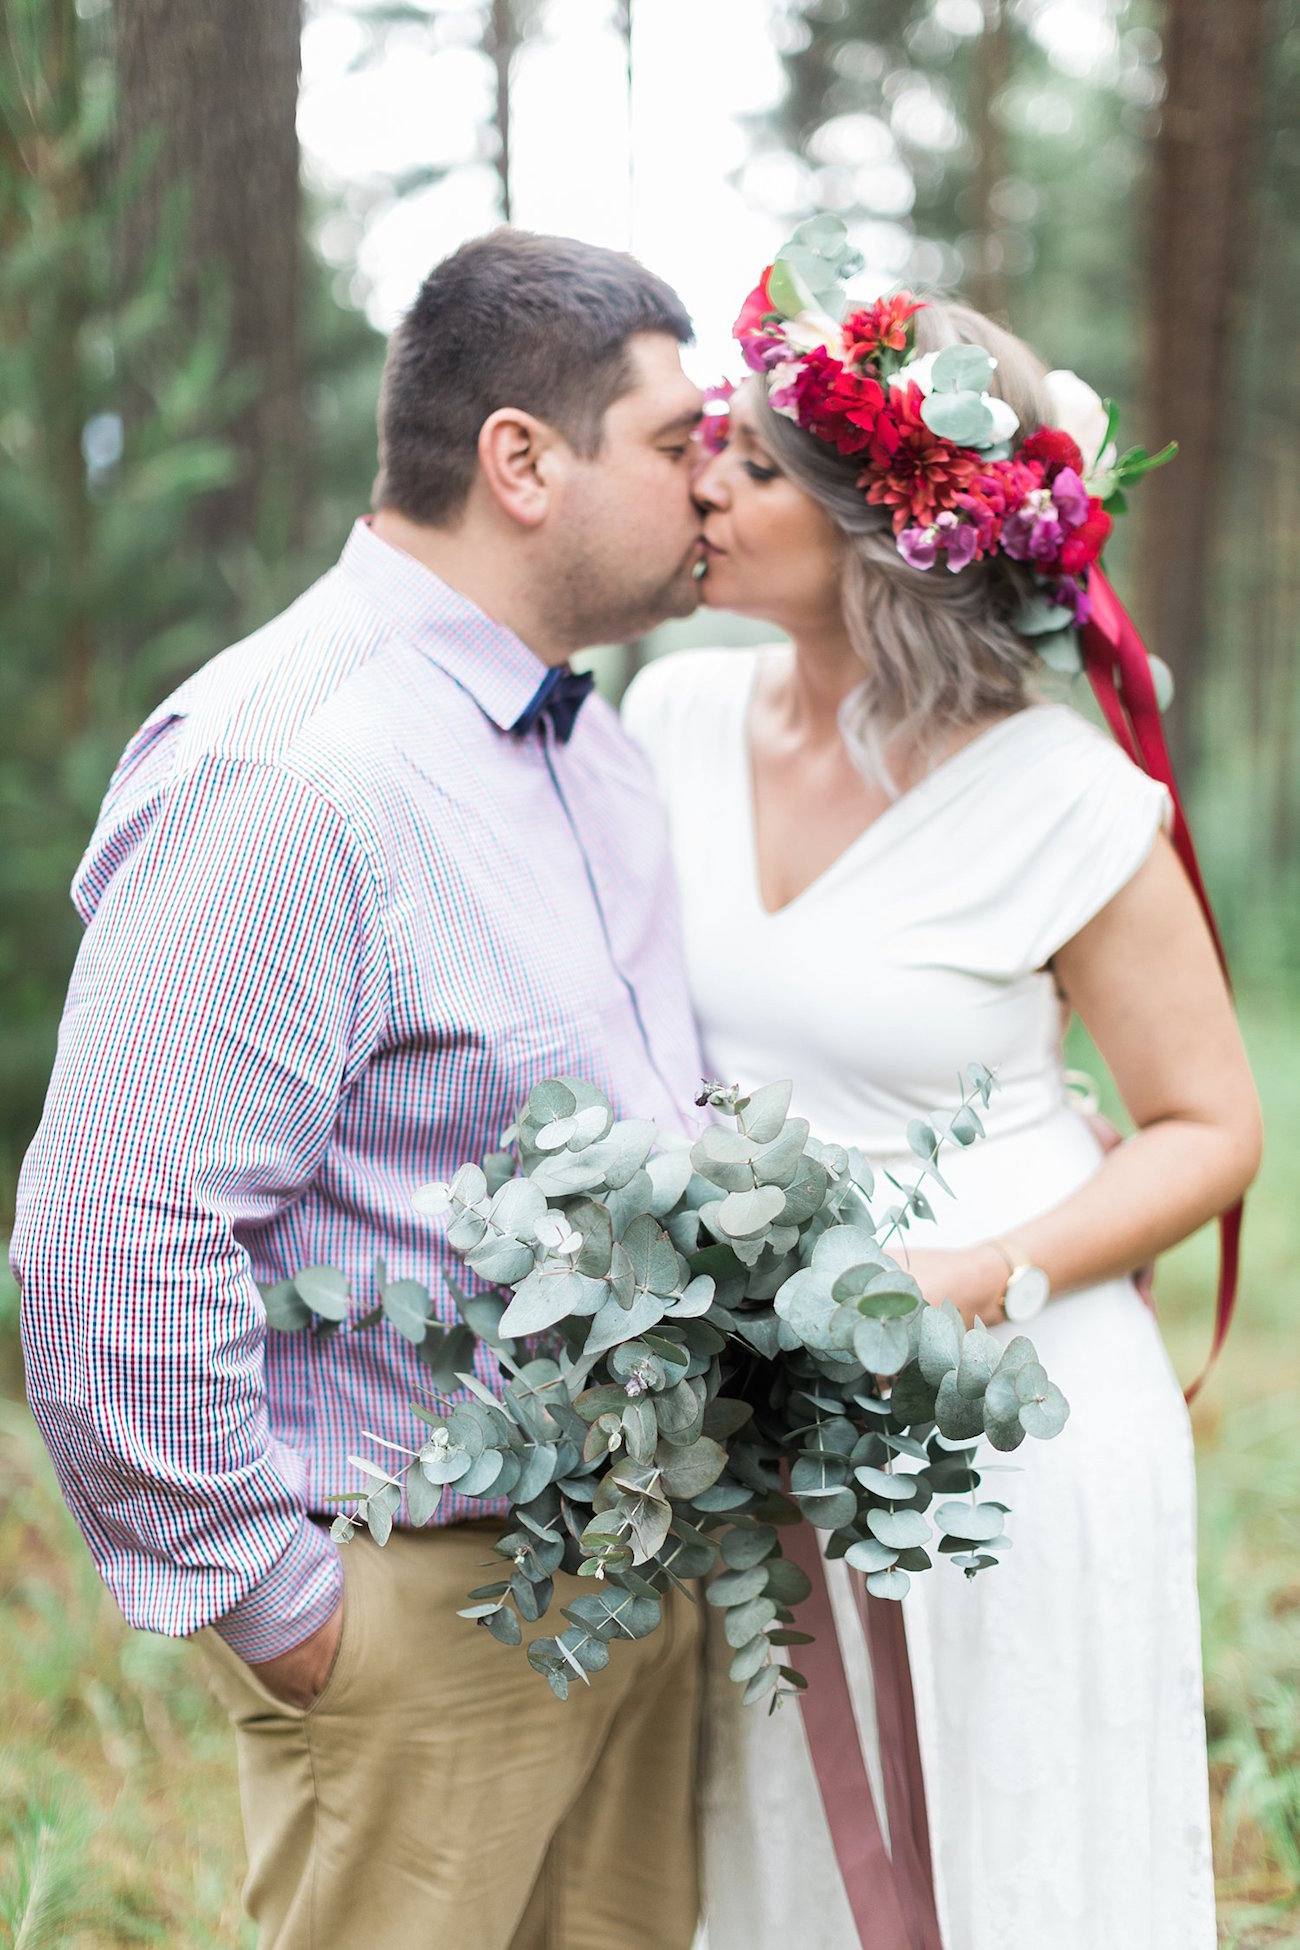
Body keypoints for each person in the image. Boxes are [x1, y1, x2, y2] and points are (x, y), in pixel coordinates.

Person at [12, 229, 711, 1950]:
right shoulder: (290, 765)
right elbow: (112, 1232)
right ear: (524, 461)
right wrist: (294, 1607)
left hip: (633, 1583)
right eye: (681, 442)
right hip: (419, 1613)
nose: (719, 484)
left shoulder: (591, 751)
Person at [624, 239, 1262, 1950]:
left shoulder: (1062, 798)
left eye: (752, 463)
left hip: (1002, 1435)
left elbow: (1212, 1125)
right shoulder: (668, 718)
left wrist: (949, 1292)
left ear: (882, 536)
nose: (701, 474)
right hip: (749, 1432)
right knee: (780, 1864)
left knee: (1007, 1859)